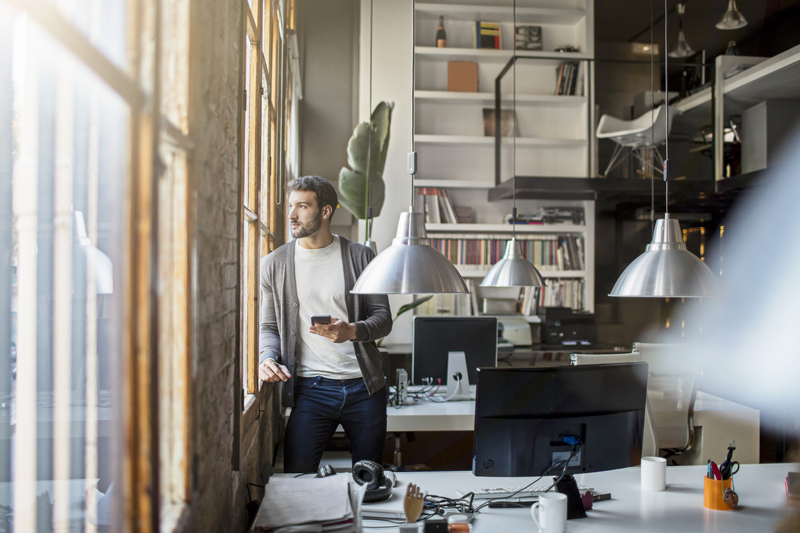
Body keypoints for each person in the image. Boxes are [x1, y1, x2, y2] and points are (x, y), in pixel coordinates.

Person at [259, 175, 392, 473]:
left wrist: (351, 332)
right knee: (297, 476)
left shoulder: (361, 256)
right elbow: (269, 327)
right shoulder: (274, 264)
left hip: (365, 388)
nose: (292, 215)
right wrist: (266, 357)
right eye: (291, 206)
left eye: (302, 206)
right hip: (311, 390)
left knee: (369, 479)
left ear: (325, 211)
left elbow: (383, 319)